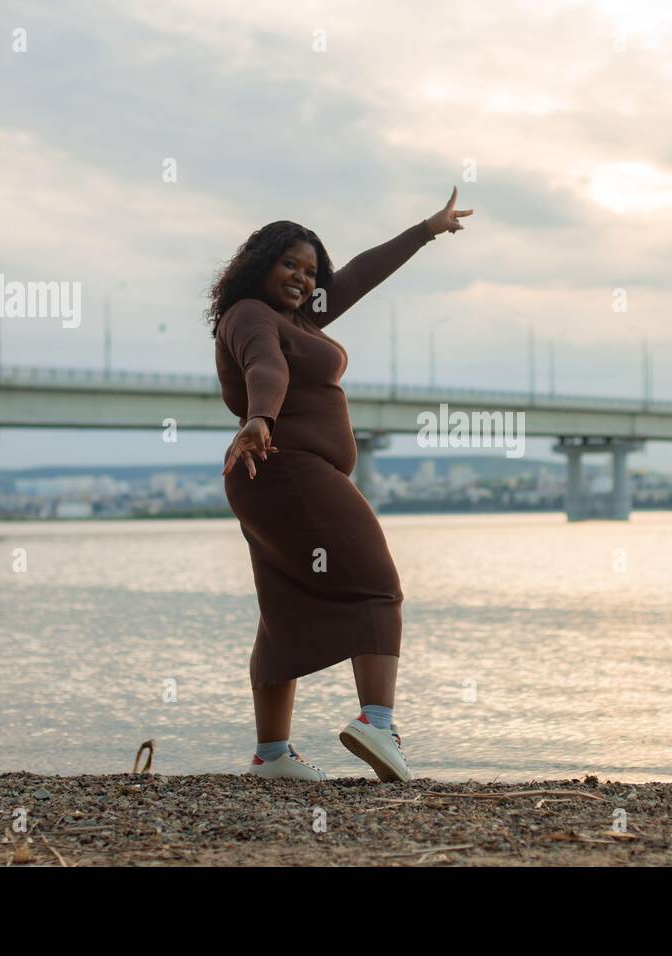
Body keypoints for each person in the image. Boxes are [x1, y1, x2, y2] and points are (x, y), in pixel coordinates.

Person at [207, 188, 473, 781]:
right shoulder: (251, 315)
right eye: (289, 265)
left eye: (310, 269)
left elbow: (358, 275)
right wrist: (259, 420)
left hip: (274, 478)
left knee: (283, 614)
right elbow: (265, 368)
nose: (303, 278)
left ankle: (271, 757)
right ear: (259, 265)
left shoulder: (299, 317)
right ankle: (378, 724)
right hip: (288, 470)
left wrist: (426, 229)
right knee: (378, 588)